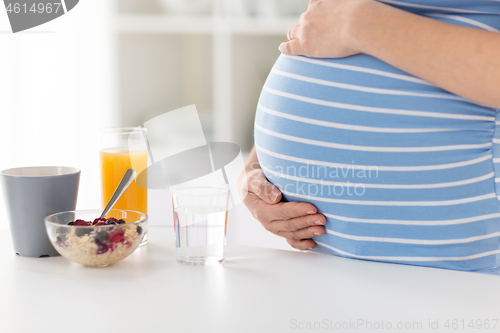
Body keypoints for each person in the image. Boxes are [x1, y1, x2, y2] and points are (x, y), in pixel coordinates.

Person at [242, 0, 500, 273]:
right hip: (330, 260)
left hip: (465, 269)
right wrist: (258, 169)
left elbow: (347, 21)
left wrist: (359, 23)